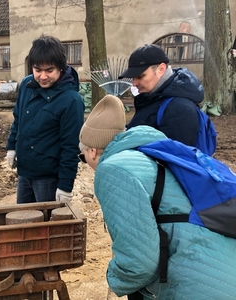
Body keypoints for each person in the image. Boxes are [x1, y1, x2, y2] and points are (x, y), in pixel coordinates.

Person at [77, 95, 236, 299]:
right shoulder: (152, 152)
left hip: (194, 284)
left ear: (92, 151)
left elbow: (139, 264)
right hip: (221, 269)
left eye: (82, 158)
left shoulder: (111, 169)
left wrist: (113, 276)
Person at [5, 35, 85, 204]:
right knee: (24, 223)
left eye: (49, 70)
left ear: (60, 68)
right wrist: (11, 146)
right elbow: (18, 119)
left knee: (45, 228)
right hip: (24, 172)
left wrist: (65, 185)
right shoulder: (27, 85)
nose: (42, 76)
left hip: (48, 179)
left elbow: (70, 147)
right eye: (37, 70)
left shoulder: (71, 100)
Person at [118, 44, 204, 147]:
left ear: (161, 69)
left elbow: (176, 158)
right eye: (133, 77)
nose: (134, 83)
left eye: (140, 76)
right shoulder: (153, 97)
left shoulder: (179, 108)